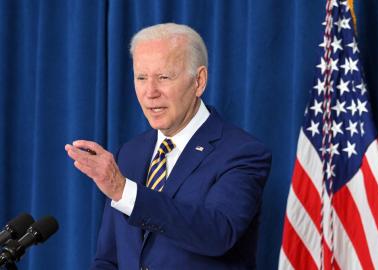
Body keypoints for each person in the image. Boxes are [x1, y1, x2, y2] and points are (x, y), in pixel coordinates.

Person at [65, 23, 271, 270]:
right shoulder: (129, 153)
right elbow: (109, 259)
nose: (150, 92)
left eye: (164, 77)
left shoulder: (242, 152)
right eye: (141, 77)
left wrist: (124, 191)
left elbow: (218, 233)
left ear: (199, 81)